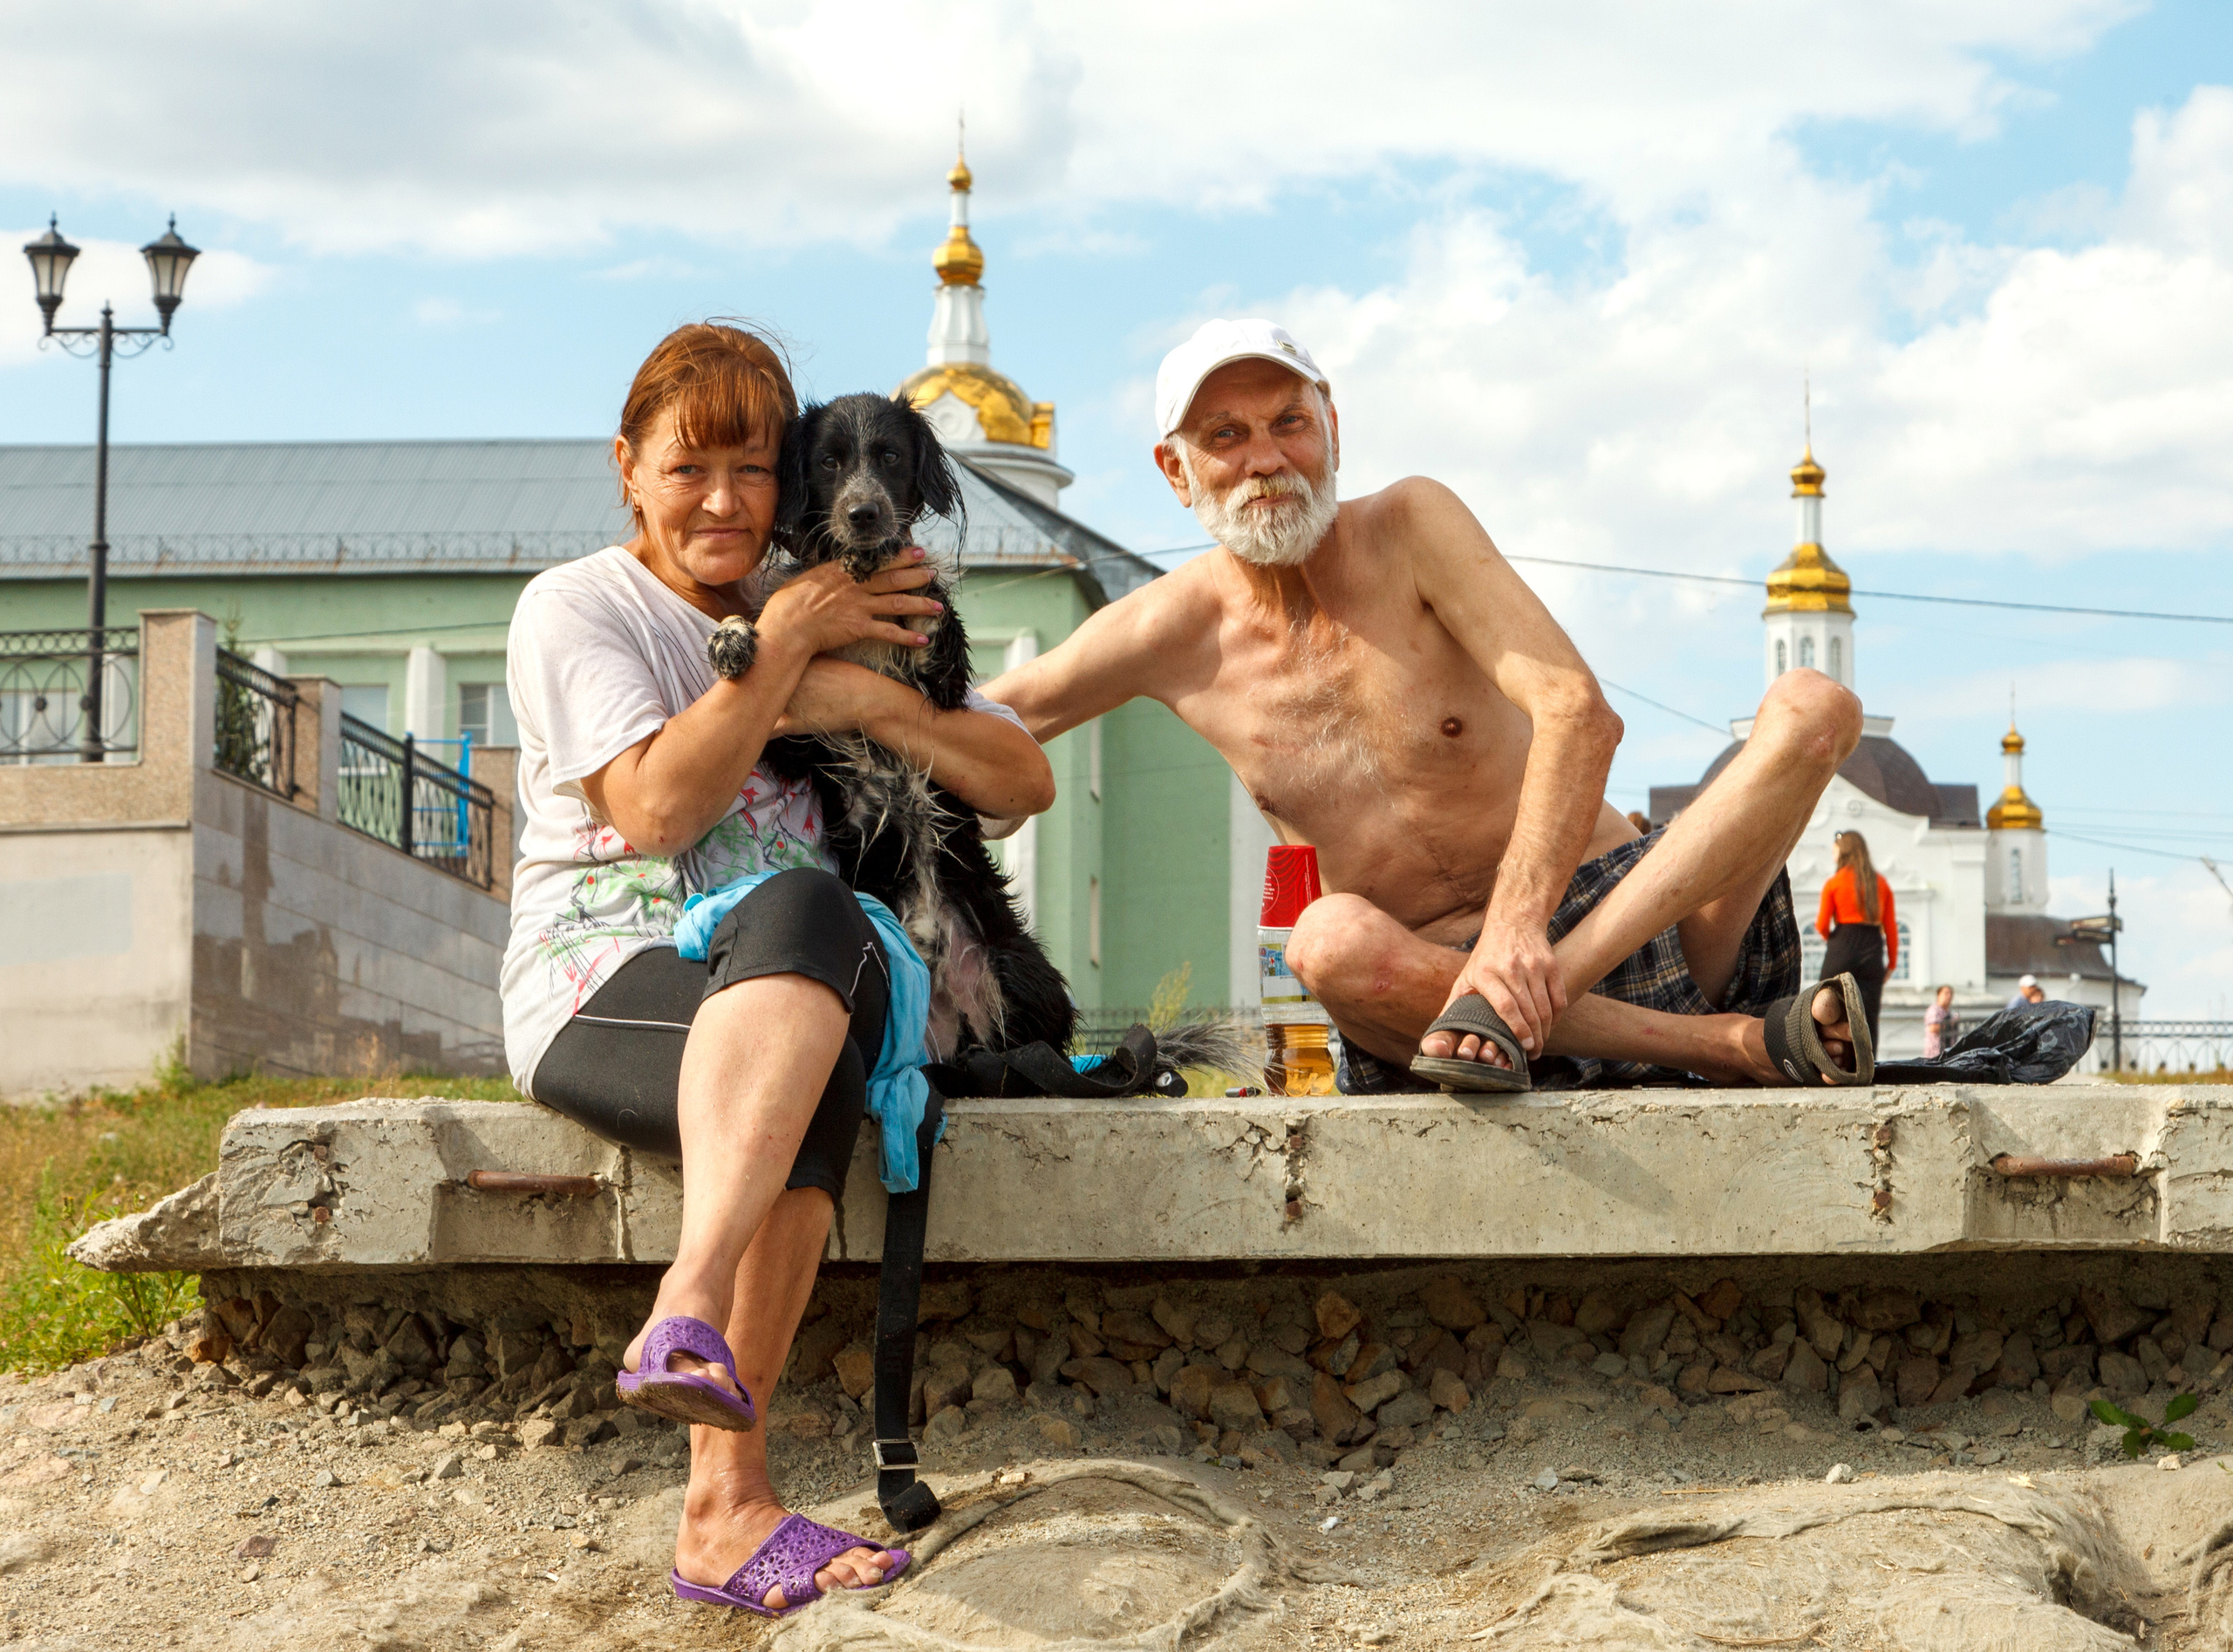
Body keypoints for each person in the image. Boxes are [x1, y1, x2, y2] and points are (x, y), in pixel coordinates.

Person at [501, 323, 1053, 1615]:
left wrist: (858, 695)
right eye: (690, 467)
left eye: (754, 469)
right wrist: (790, 646)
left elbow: (1018, 778)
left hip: (784, 994)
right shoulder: (582, 607)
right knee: (810, 909)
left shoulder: (844, 597)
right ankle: (691, 1309)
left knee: (827, 951)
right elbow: (655, 810)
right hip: (611, 982)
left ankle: (724, 1510)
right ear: (627, 466)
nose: (724, 499)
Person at [984, 317, 1869, 1090]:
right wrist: (842, 653)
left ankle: (1590, 1005)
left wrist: (1518, 939)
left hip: (1625, 927)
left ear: (1331, 427)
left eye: (1289, 422)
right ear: (1176, 471)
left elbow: (1576, 711)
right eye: (1225, 434)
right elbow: (987, 715)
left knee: (1811, 704)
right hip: (1432, 1009)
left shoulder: (1410, 525)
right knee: (1323, 939)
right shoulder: (1167, 627)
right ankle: (1732, 1047)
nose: (1265, 458)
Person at [1815, 830, 1895, 1041]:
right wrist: (1892, 964)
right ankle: (1867, 1070)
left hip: (1843, 942)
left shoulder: (1834, 883)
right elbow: (1891, 929)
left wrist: (1835, 943)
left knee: (1826, 1006)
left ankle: (1830, 1062)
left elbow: (1821, 925)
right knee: (1869, 1017)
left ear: (1844, 851)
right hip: (1872, 947)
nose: (1832, 853)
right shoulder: (1881, 883)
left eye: (1834, 849)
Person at [1923, 984, 1960, 1059]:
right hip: (1935, 1054)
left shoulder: (1950, 1013)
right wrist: (1950, 1024)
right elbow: (1933, 1028)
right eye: (1946, 993)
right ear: (1938, 995)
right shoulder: (1934, 1010)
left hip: (1948, 1053)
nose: (1949, 996)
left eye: (1951, 994)